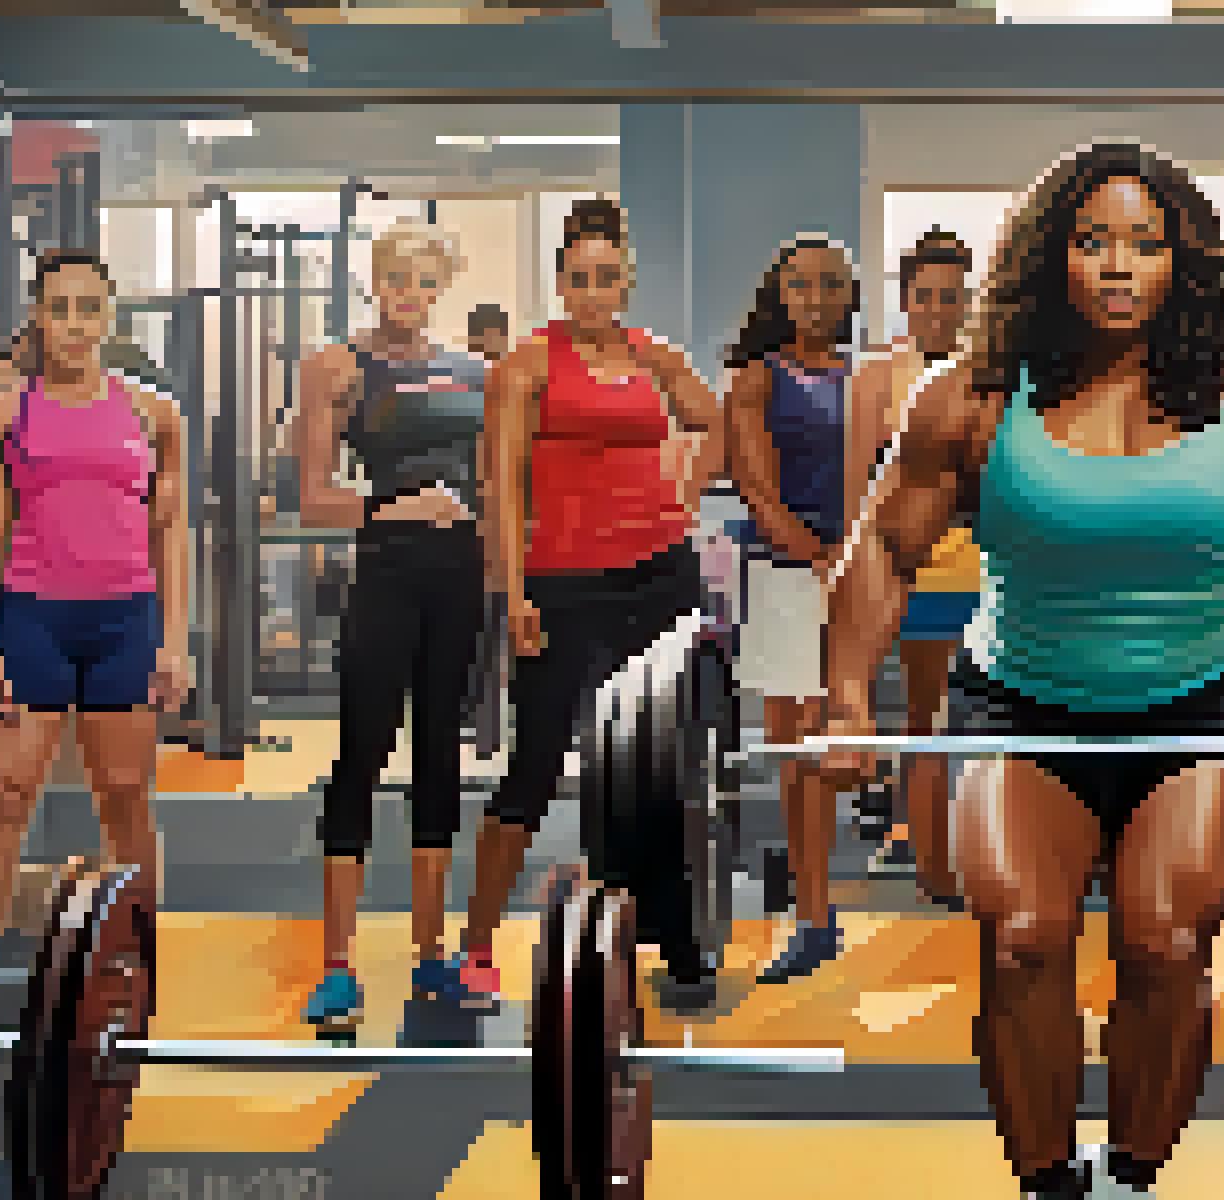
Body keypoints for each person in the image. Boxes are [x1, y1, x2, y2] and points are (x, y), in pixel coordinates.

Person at [816, 143, 1224, 1199]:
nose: (1119, 265)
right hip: (1019, 710)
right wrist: (852, 704)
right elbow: (883, 551)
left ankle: (1132, 1179)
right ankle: (1048, 1184)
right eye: (1093, 242)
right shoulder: (973, 401)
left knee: (1167, 945)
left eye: (1145, 243)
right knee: (1022, 943)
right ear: (1054, 257)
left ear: (1185, 261)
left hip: (1190, 716)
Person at [460, 198, 725, 1015]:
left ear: (626, 282)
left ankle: (673, 942)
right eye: (579, 279)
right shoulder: (526, 367)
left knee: (658, 763)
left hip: (660, 575)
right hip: (563, 582)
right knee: (537, 762)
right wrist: (512, 595)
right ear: (561, 283)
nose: (593, 293)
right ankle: (477, 945)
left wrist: (683, 495)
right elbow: (501, 487)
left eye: (607, 278)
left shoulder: (654, 356)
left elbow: (715, 422)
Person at [0, 250, 190, 1032]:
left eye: (89, 309)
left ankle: (142, 975)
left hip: (124, 619)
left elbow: (171, 529)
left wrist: (175, 641)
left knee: (123, 795)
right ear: (38, 318)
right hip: (32, 618)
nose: (75, 325)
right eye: (60, 309)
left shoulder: (154, 415)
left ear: (108, 318)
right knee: (4, 797)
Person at [294, 224, 494, 1038]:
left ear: (440, 289)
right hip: (386, 575)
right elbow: (314, 498)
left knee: (440, 756)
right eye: (395, 279)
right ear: (374, 282)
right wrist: (397, 505)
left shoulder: (475, 372)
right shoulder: (335, 368)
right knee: (362, 754)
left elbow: (497, 482)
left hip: (460, 579)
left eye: (424, 282)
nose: (408, 295)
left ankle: (431, 953)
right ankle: (338, 965)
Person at [723, 234, 863, 983]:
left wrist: (857, 559)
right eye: (803, 285)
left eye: (830, 285)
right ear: (781, 294)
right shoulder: (756, 378)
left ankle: (815, 906)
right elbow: (758, 491)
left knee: (834, 745)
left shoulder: (860, 377)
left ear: (849, 296)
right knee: (798, 751)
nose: (816, 298)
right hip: (786, 575)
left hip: (851, 574)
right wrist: (820, 557)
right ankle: (812, 917)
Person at [847, 229, 976, 906]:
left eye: (950, 297)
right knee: (928, 718)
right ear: (905, 300)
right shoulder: (878, 378)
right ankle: (934, 867)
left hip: (988, 573)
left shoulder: (992, 376)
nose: (937, 309)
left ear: (968, 302)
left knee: (995, 721)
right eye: (925, 296)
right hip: (917, 575)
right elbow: (858, 492)